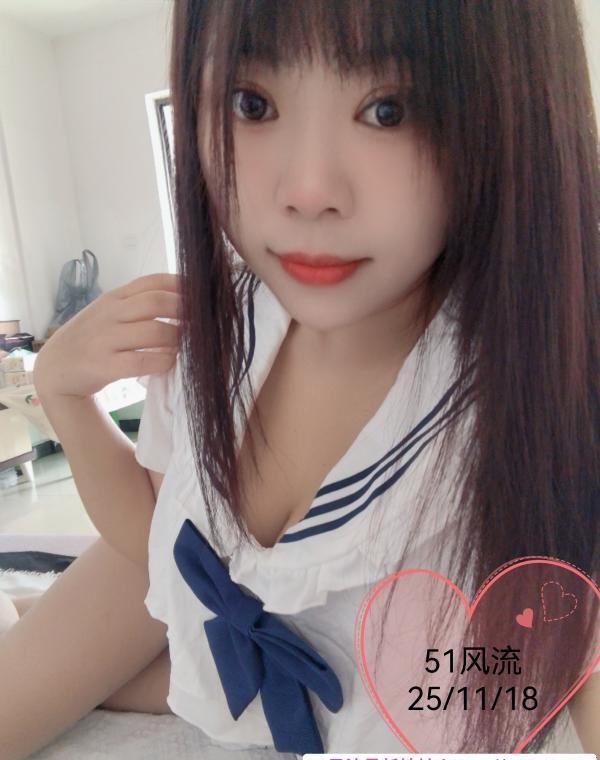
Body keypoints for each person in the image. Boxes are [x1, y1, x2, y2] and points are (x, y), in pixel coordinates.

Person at [0, 0, 598, 757]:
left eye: (389, 109)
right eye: (251, 104)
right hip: (229, 663)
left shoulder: (541, 389)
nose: (308, 189)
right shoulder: (221, 328)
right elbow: (156, 541)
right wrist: (64, 396)